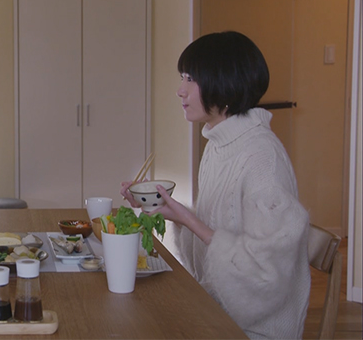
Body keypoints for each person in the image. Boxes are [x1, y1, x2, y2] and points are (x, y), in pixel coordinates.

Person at [121, 31, 310, 339]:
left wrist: (190, 220)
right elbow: (211, 244)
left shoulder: (263, 157)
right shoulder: (219, 144)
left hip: (254, 329)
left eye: (191, 79)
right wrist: (166, 209)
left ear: (225, 83)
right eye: (182, 78)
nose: (180, 90)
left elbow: (268, 277)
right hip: (218, 309)